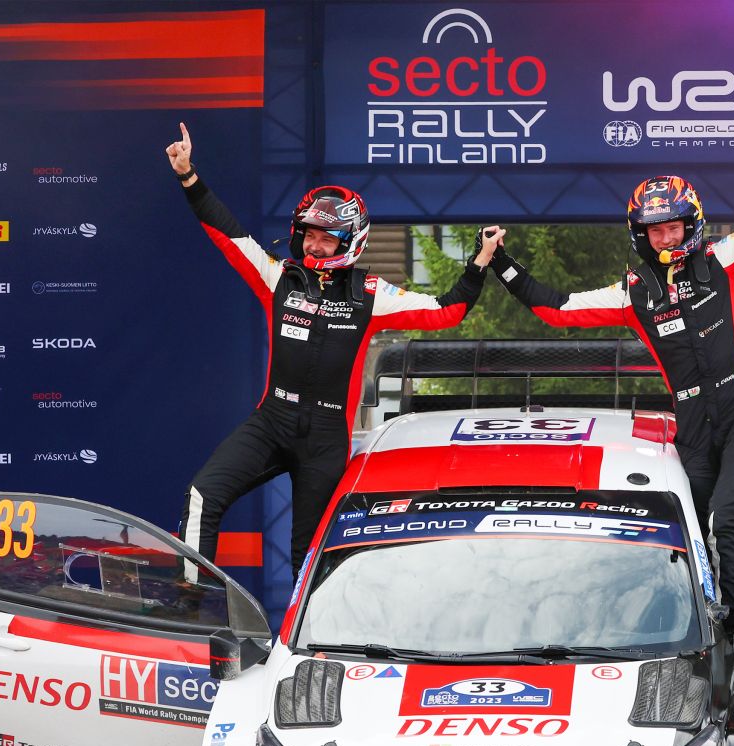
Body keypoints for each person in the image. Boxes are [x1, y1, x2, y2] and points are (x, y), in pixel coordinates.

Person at [487, 97, 734, 628]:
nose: (666, 238)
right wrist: (502, 265)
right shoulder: (633, 292)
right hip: (694, 431)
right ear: (641, 235)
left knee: (726, 521)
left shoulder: (726, 260)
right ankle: (696, 624)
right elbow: (559, 309)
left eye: (675, 227)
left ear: (692, 225)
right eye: (655, 230)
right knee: (689, 530)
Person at [165, 122, 494, 579]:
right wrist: (189, 176)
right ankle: (191, 606)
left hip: (325, 440)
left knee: (310, 554)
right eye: (309, 234)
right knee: (203, 494)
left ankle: (304, 628)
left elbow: (446, 312)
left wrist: (478, 263)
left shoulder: (372, 294)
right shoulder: (279, 278)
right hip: (272, 421)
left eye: (327, 237)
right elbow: (228, 233)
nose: (315, 245)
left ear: (350, 241)